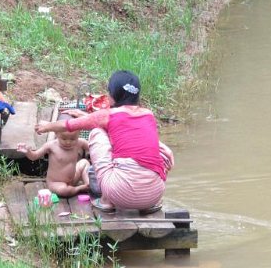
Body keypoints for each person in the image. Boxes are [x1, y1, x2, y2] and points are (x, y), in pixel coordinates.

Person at [35, 70, 175, 214]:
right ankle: (147, 206)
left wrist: (47, 126)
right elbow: (122, 128)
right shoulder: (148, 115)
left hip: (119, 195)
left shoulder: (108, 115)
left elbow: (69, 125)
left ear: (112, 96)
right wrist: (87, 116)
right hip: (154, 195)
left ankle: (106, 201)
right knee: (156, 147)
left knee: (97, 132)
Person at [17, 113, 90, 197]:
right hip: (56, 183)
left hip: (73, 179)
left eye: (73, 139)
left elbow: (93, 149)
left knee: (84, 162)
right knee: (63, 190)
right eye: (64, 138)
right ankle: (80, 188)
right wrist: (27, 151)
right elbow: (34, 156)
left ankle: (88, 184)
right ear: (56, 133)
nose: (68, 142)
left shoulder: (80, 142)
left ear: (79, 133)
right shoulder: (51, 145)